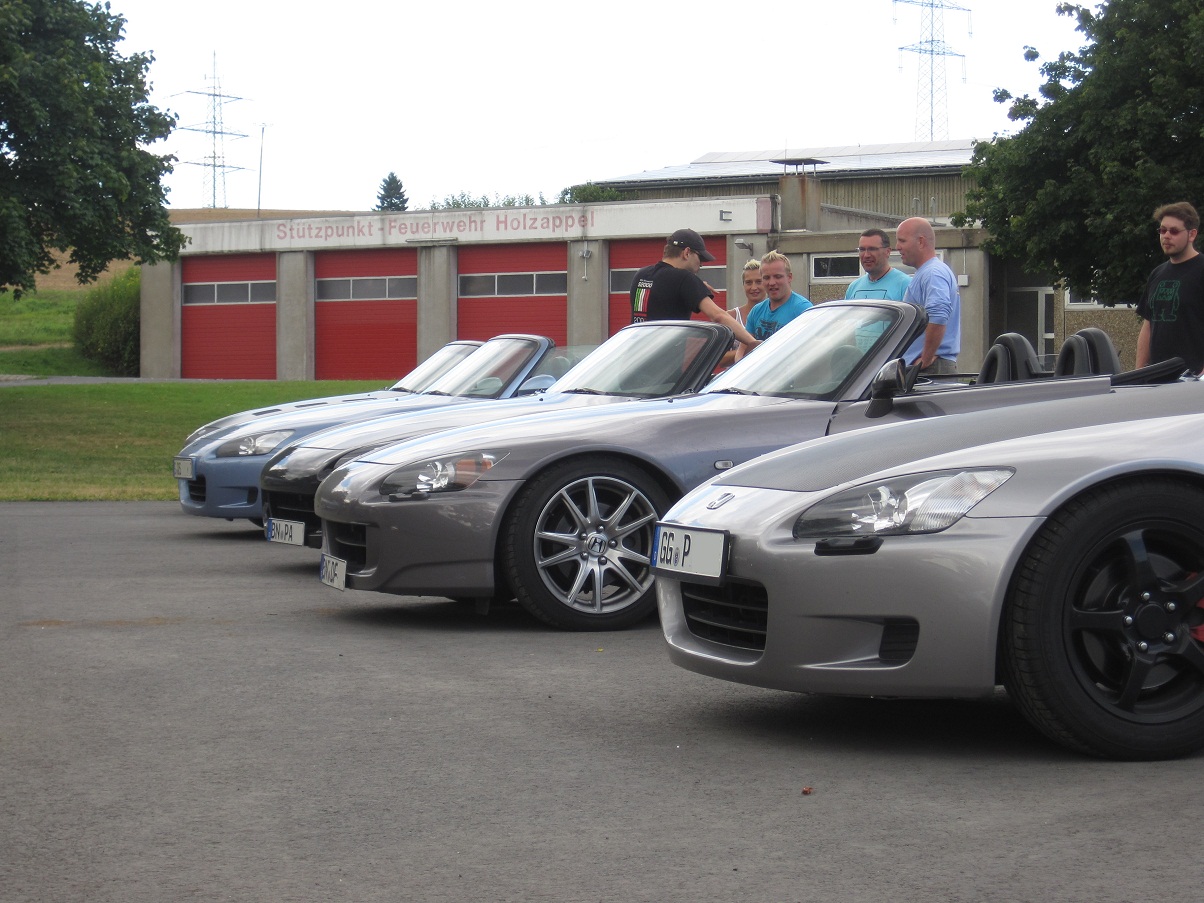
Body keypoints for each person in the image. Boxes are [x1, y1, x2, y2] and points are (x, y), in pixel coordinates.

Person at [634, 228, 760, 351]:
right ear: (687, 252)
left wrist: (696, 287)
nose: (701, 264)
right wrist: (754, 343)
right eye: (700, 258)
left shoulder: (641, 274)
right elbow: (718, 316)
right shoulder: (685, 279)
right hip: (665, 358)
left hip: (635, 354)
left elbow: (664, 292)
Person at [1136, 201, 1204, 372]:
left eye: (1174, 231)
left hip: (1194, 378)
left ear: (1192, 234)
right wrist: (1139, 373)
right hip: (1157, 377)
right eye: (1162, 230)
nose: (1166, 236)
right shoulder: (1157, 274)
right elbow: (1148, 326)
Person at [896, 216, 960, 374]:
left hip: (931, 368)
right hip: (929, 366)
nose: (897, 247)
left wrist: (925, 359)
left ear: (920, 241)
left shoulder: (933, 273)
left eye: (902, 241)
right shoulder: (928, 272)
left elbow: (938, 314)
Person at [744, 251, 812, 343]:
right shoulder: (756, 311)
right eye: (766, 278)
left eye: (778, 276)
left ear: (789, 277)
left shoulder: (803, 310)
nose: (772, 283)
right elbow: (743, 348)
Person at [718, 259, 766, 367]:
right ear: (743, 285)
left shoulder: (777, 314)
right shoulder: (731, 317)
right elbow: (720, 359)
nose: (754, 287)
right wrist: (751, 350)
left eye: (759, 282)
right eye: (748, 282)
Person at [844, 228, 911, 300]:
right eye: (862, 249)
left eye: (872, 249)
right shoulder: (853, 287)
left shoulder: (905, 285)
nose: (866, 255)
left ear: (887, 252)